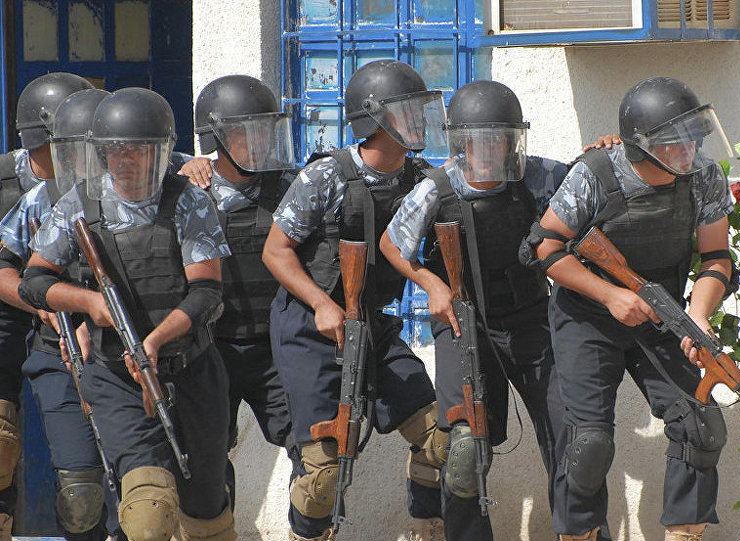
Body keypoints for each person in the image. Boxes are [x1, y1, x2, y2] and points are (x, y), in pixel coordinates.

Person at [522, 76, 735, 541]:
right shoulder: (596, 175)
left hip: (663, 314)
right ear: (643, 146)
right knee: (589, 443)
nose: (689, 149)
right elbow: (546, 249)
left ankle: (684, 534)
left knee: (699, 425)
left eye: (694, 136)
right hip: (587, 317)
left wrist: (698, 316)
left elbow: (716, 257)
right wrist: (610, 295)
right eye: (675, 141)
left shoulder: (704, 176)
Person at [18, 87, 236, 541]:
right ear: (102, 154)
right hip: (115, 377)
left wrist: (154, 342)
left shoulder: (188, 201)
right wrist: (89, 304)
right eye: (116, 151)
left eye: (139, 151)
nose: (127, 161)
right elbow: (34, 281)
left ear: (161, 153)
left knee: (206, 513)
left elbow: (207, 292)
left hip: (191, 371)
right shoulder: (79, 204)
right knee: (146, 512)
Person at [262, 59, 448, 541]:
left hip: (370, 324)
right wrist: (321, 304)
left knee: (439, 437)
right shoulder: (326, 176)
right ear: (375, 120)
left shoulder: (421, 179)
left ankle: (427, 525)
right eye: (408, 111)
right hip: (310, 326)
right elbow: (276, 251)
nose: (419, 121)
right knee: (323, 471)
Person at [380, 80, 568, 541]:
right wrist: (432, 286)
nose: (486, 151)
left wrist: (607, 146)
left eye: (497, 140)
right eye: (476, 141)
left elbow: (592, 184)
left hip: (529, 318)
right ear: (461, 143)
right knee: (463, 449)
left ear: (511, 141)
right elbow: (391, 244)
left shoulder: (539, 175)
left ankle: (581, 532)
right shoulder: (435, 188)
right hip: (460, 321)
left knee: (573, 434)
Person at [188, 74, 299, 511]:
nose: (259, 142)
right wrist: (179, 171)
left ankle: (309, 532)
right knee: (207, 462)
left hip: (277, 347)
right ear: (216, 138)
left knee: (316, 453)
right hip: (210, 348)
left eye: (265, 131)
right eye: (246, 133)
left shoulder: (292, 187)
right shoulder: (186, 192)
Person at [0, 72, 94, 540]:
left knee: (93, 479)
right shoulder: (14, 183)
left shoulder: (121, 178)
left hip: (76, 326)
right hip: (13, 318)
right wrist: (39, 303)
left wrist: (197, 166)